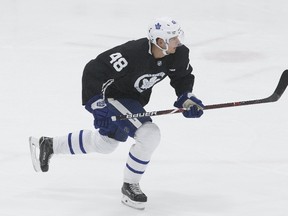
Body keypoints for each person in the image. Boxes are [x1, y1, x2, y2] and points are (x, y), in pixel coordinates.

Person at [29, 17, 204, 210]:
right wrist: (97, 105)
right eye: (174, 38)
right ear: (160, 42)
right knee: (149, 134)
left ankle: (50, 145)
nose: (178, 42)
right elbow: (94, 70)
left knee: (106, 144)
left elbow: (182, 77)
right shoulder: (132, 54)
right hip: (111, 97)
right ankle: (130, 185)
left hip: (133, 99)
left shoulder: (178, 54)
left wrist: (187, 99)